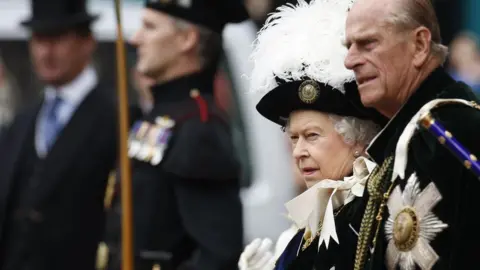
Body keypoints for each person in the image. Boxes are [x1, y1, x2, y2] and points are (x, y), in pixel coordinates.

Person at [237, 0, 386, 269]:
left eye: (312, 136)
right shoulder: (306, 227)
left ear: (357, 140)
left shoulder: (372, 220)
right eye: (294, 138)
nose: (298, 151)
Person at [103, 1, 249, 270]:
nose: (136, 39)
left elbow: (217, 255)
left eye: (150, 27)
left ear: (186, 39)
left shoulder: (200, 127)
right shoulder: (160, 115)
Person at [343, 0, 480, 269]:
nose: (350, 61)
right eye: (348, 47)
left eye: (368, 43)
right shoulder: (409, 136)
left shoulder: (452, 133)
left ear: (419, 45)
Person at [0, 0, 118, 269]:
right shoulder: (22, 123)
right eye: (39, 40)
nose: (46, 52)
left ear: (87, 42)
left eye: (57, 39)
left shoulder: (116, 119)